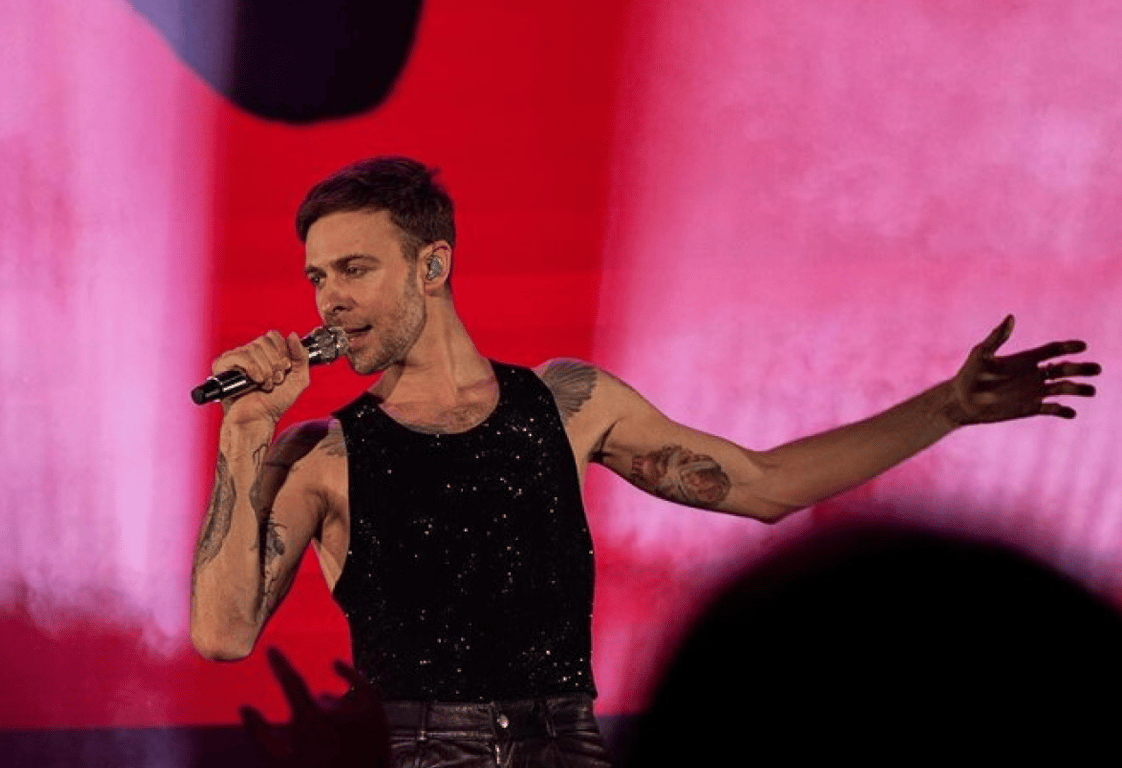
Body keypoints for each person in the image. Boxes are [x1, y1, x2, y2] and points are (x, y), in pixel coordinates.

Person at [189, 156, 1099, 767]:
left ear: (433, 266)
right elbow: (224, 635)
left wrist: (947, 407)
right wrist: (245, 430)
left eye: (354, 269)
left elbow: (766, 485)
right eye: (317, 277)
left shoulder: (569, 403)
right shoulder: (322, 455)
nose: (330, 299)